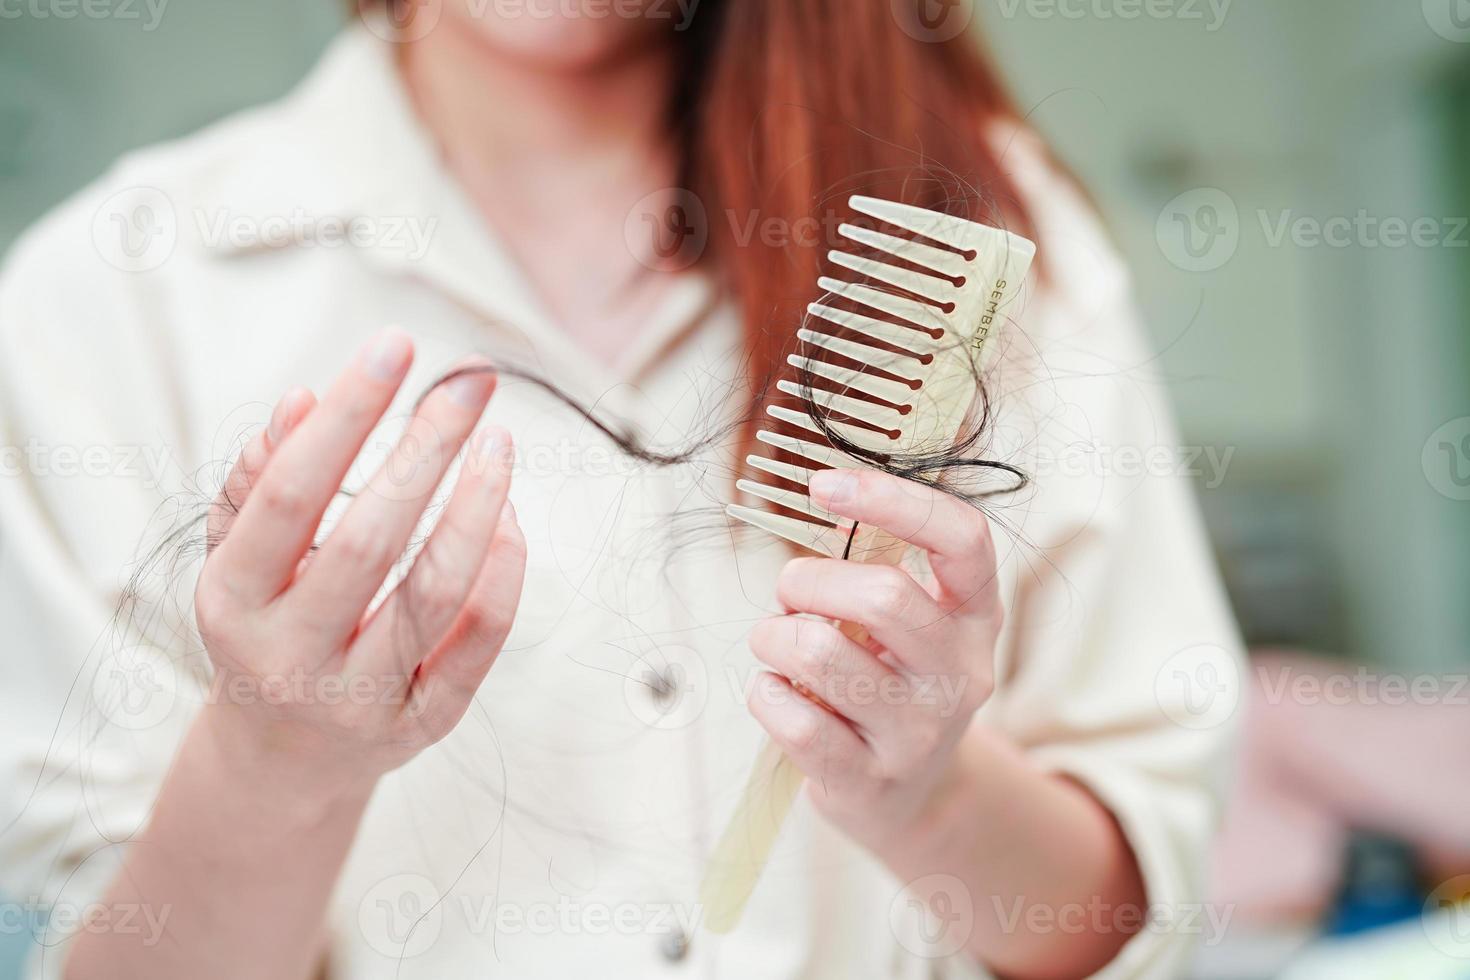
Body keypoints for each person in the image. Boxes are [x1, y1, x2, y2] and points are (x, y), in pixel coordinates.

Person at [0, 2, 1242, 978]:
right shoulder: (109, 299)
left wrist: (935, 795)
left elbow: (1121, 920)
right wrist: (270, 764)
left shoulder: (991, 228)